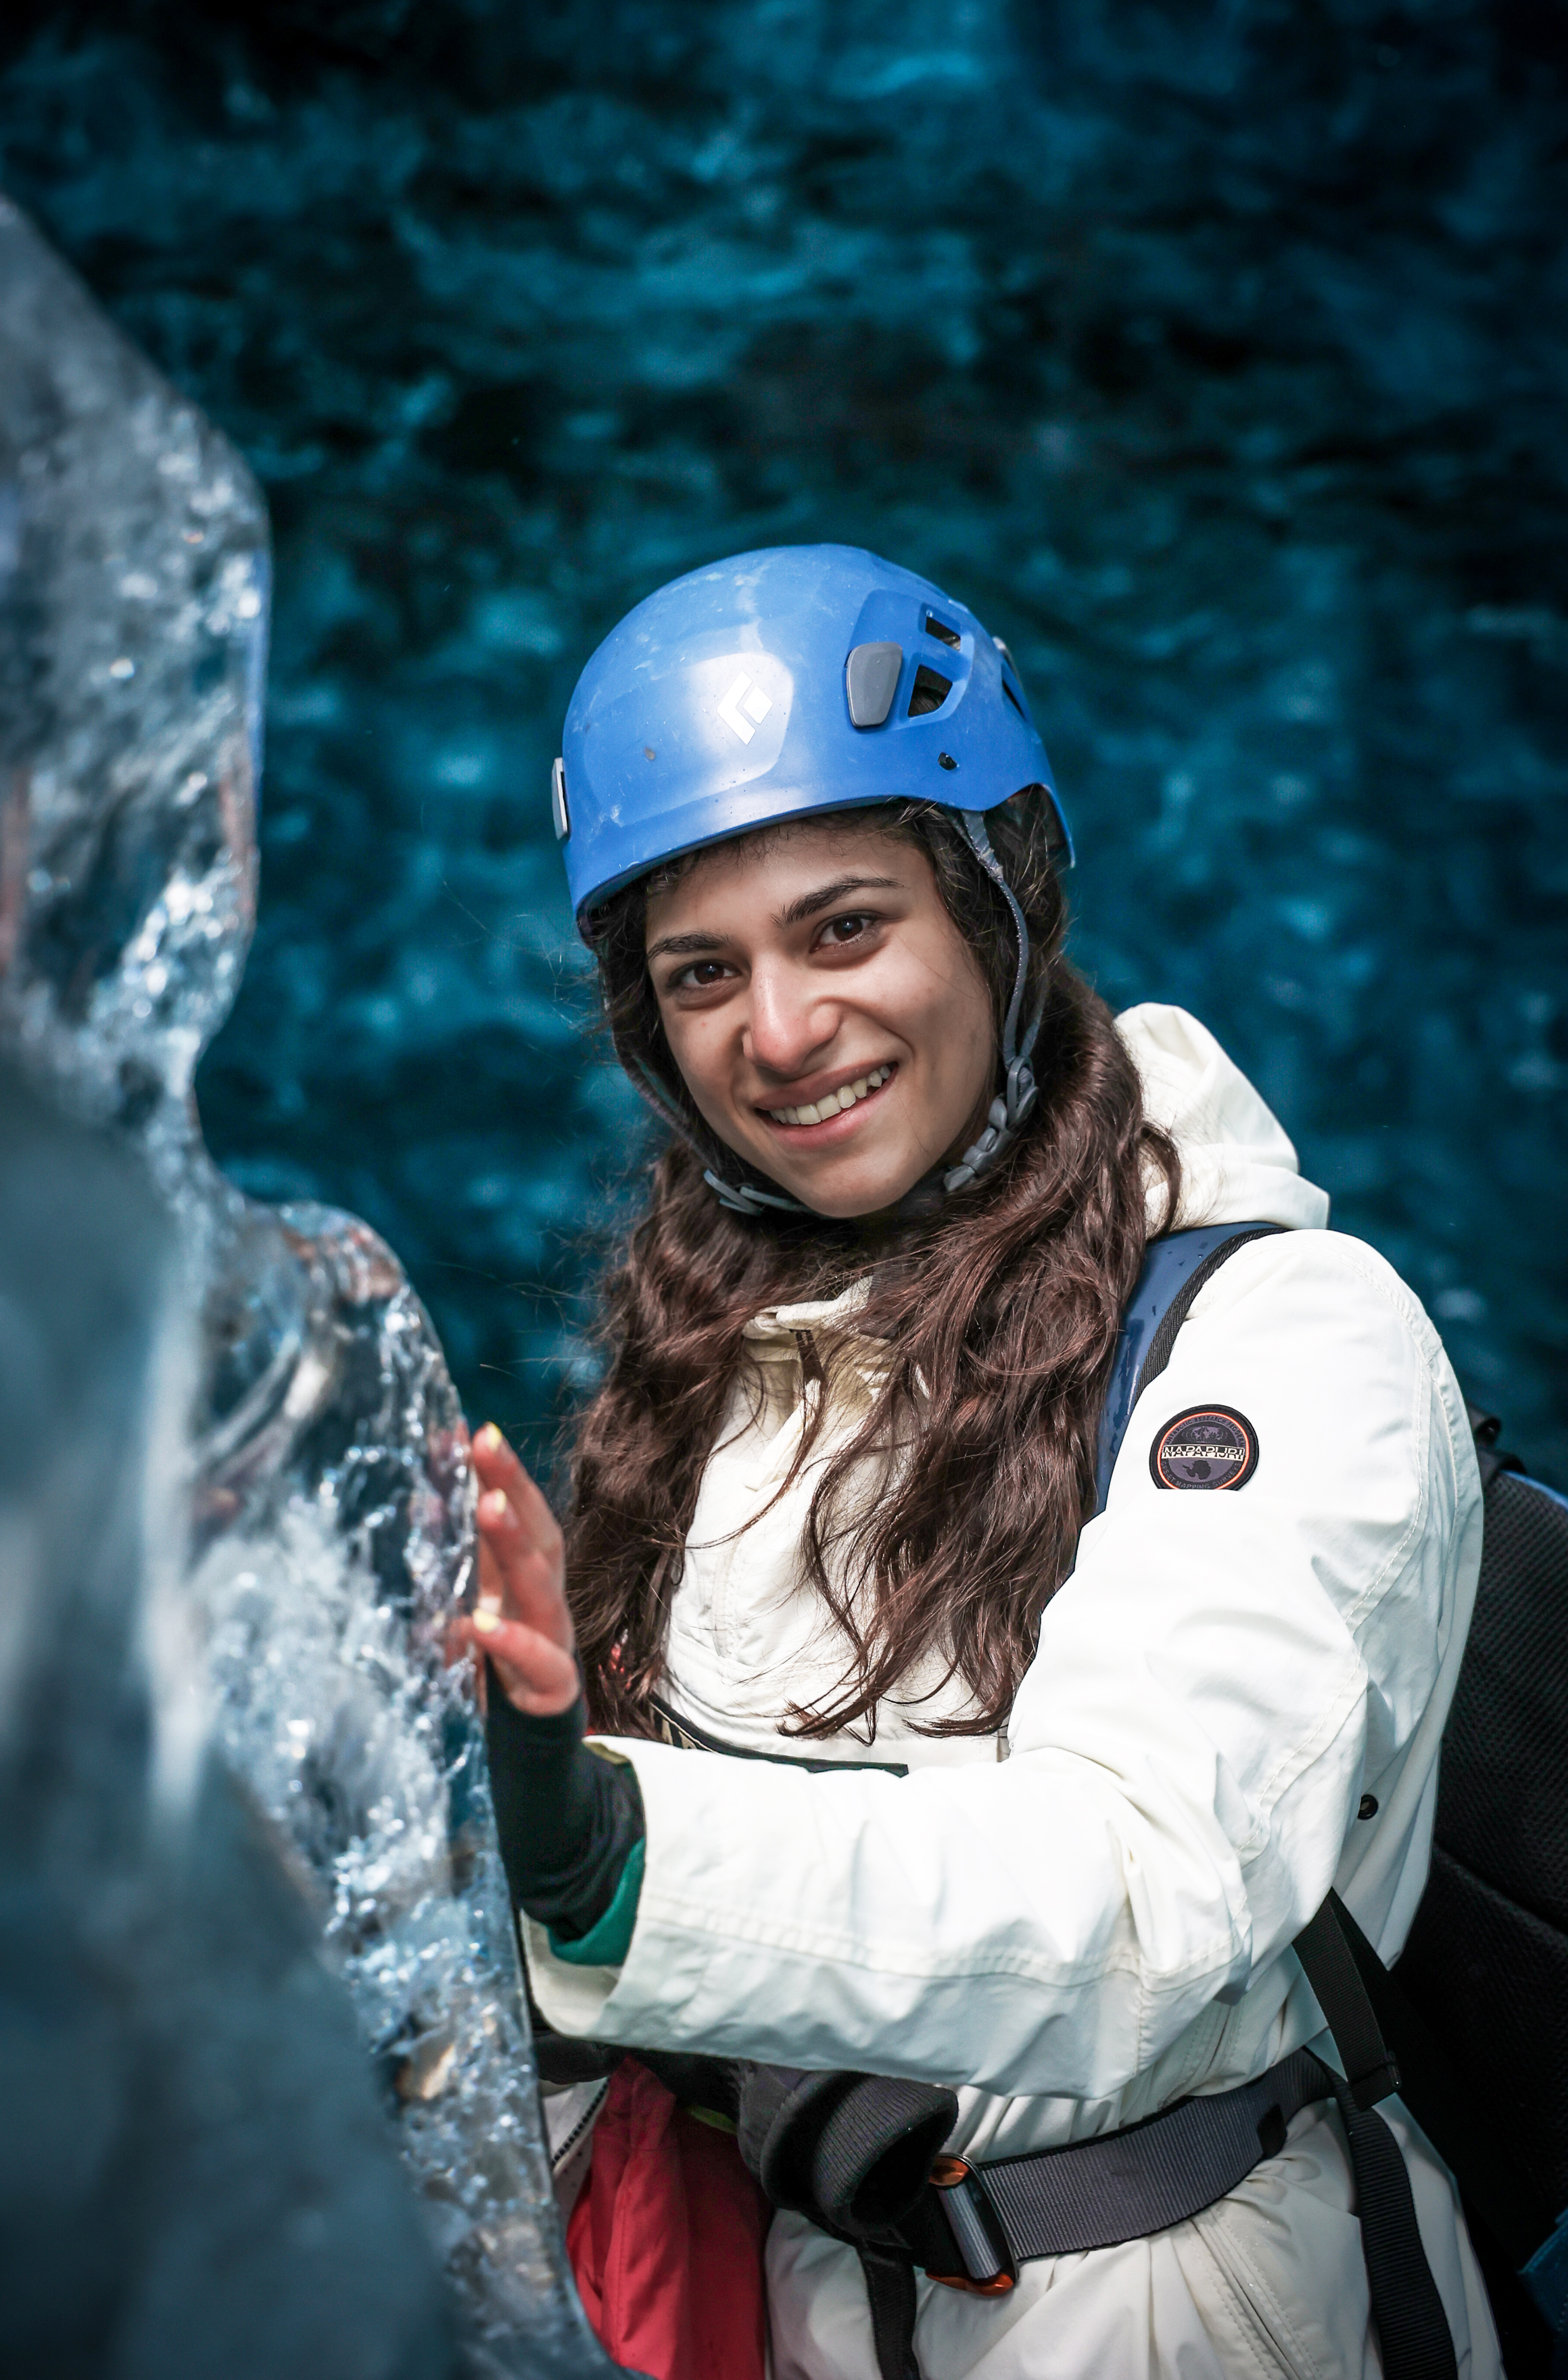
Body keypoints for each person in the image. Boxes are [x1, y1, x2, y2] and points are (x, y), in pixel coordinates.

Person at [467, 546, 1500, 2379]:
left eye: (844, 927)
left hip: (1179, 2319)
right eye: (702, 971)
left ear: (993, 902)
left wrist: (605, 1852)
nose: (776, 1033)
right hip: (811, 2302)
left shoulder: (1281, 1339)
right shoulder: (726, 1368)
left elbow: (1143, 1901)